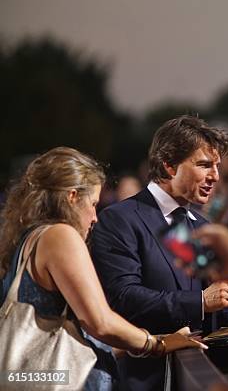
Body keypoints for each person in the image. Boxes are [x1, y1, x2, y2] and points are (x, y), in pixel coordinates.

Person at [0, 147, 204, 391]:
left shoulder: (29, 239)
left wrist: (135, 342)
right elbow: (100, 322)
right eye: (93, 203)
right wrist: (157, 343)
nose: (95, 217)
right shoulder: (60, 235)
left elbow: (79, 335)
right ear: (72, 197)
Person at [90, 116, 228, 390]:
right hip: (138, 378)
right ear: (169, 165)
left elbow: (214, 308)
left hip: (193, 376)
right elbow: (124, 297)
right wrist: (200, 301)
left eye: (217, 166)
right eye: (204, 165)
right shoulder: (119, 219)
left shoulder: (199, 225)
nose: (215, 176)